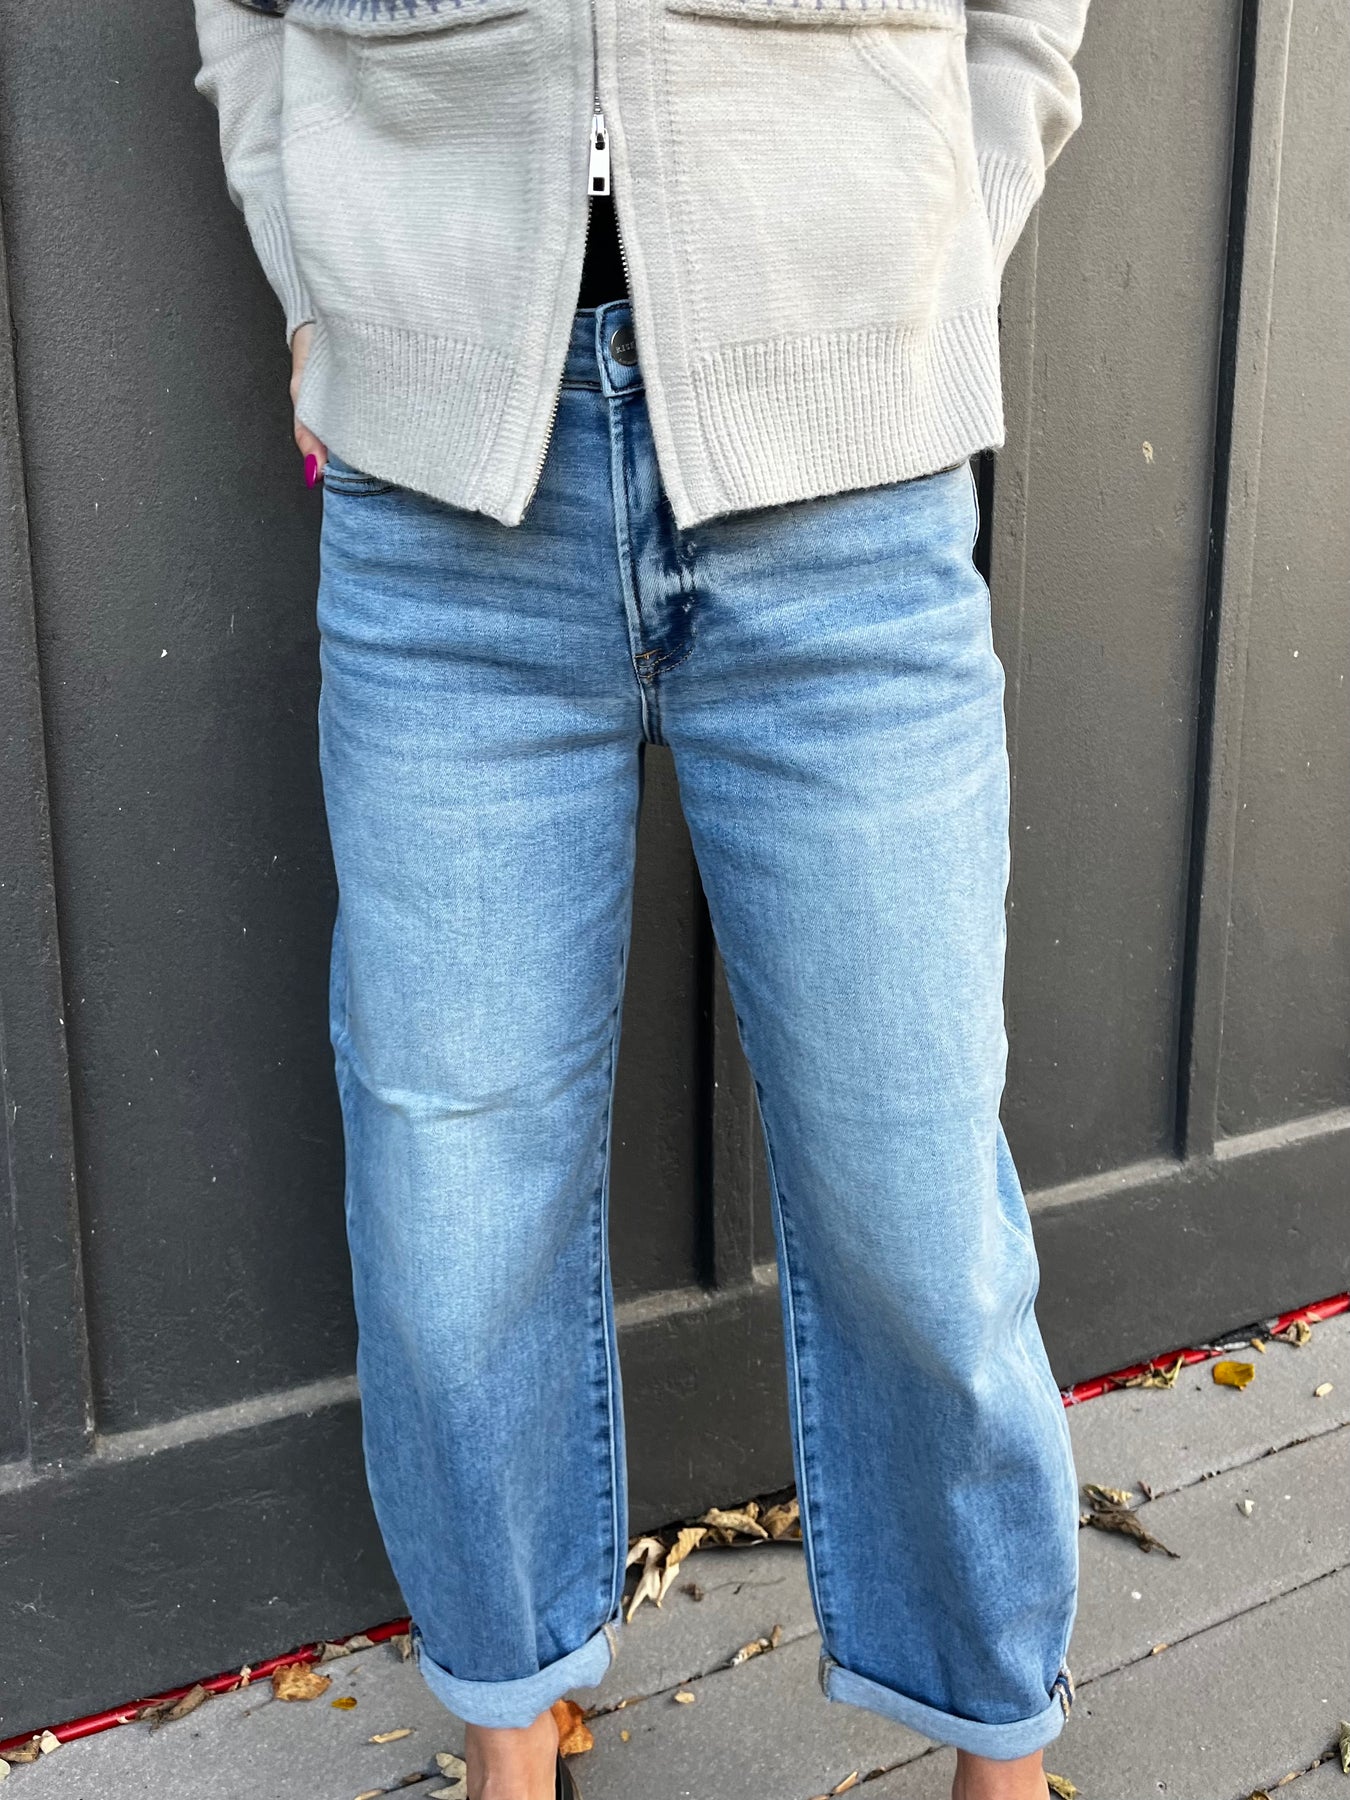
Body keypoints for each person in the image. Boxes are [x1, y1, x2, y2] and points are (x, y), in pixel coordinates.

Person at [191, 3, 1091, 1796]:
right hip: (441, 494)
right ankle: (507, 1739)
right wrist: (313, 281)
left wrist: (923, 268)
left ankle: (998, 1752)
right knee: (451, 1218)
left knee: (916, 1203)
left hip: (845, 488)